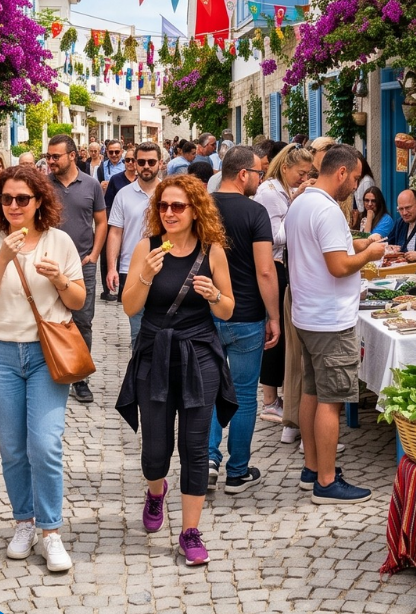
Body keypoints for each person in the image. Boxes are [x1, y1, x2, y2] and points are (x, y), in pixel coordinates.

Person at [0, 163, 86, 573]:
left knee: (45, 445)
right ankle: (24, 523)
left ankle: (51, 532)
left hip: (44, 355)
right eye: (6, 198)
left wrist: (59, 280)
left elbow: (78, 302)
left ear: (39, 201)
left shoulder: (60, 242)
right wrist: (3, 256)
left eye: (23, 198)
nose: (14, 205)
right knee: (14, 449)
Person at [118, 175, 238, 566]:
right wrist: (146, 276)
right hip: (155, 353)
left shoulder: (212, 251)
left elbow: (227, 309)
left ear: (195, 210)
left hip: (198, 354)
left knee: (195, 446)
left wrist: (214, 295)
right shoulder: (147, 248)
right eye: (163, 206)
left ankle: (190, 532)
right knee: (155, 450)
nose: (169, 213)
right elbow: (129, 307)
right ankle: (156, 492)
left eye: (178, 207)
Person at [284, 144, 382, 503]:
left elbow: (322, 248)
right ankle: (326, 481)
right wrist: (368, 253)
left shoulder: (302, 203)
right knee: (332, 401)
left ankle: (312, 468)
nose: (356, 186)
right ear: (341, 173)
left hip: (309, 313)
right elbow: (338, 266)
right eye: (355, 179)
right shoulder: (326, 210)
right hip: (329, 318)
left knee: (313, 391)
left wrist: (357, 242)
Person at [207, 146, 281, 493]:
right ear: (242, 174)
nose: (260, 179)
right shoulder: (255, 212)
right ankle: (237, 471)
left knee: (207, 391)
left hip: (206, 312)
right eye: (258, 173)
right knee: (244, 394)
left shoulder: (201, 208)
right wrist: (275, 316)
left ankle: (207, 460)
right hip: (248, 314)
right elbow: (266, 271)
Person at [45, 135, 108, 405]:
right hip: (48, 265)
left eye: (55, 156)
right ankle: (49, 372)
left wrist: (94, 255)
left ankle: (80, 378)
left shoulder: (91, 185)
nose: (50, 161)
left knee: (82, 321)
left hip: (83, 265)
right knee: (48, 318)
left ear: (72, 156)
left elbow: (101, 222)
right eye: (48, 156)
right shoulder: (43, 185)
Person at [256, 146, 314, 429]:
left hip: (282, 265)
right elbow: (272, 236)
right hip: (274, 265)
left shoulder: (281, 190)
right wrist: (297, 204)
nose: (302, 178)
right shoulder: (270, 192)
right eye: (300, 173)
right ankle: (269, 401)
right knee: (274, 332)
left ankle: (274, 398)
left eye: (307, 174)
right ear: (285, 168)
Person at [106, 141, 166, 342]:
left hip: (166, 267)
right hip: (131, 269)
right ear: (134, 164)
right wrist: (112, 268)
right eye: (141, 162)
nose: (146, 166)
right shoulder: (123, 194)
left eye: (151, 161)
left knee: (165, 332)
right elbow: (115, 233)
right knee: (137, 334)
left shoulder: (169, 193)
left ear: (160, 163)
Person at [385, 189, 416, 263]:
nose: (404, 213)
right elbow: (389, 243)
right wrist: (389, 248)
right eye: (401, 209)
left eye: (408, 208)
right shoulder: (400, 222)